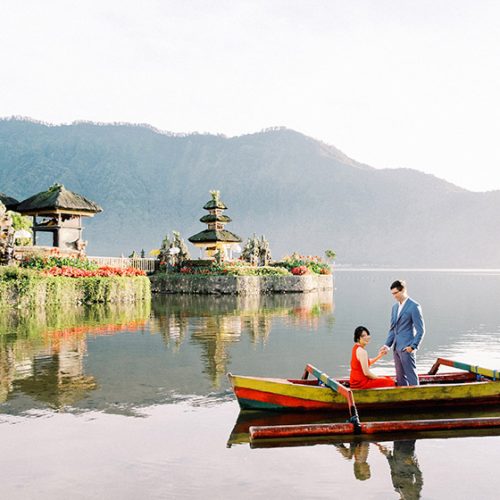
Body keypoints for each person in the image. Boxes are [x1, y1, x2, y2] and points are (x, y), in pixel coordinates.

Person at [380, 280, 425, 386]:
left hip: (407, 348)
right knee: (400, 377)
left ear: (403, 290)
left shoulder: (414, 306)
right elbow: (393, 329)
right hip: (396, 348)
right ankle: (404, 400)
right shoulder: (394, 308)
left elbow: (421, 330)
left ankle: (417, 398)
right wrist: (387, 345)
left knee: (411, 376)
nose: (394, 296)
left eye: (396, 293)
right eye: (392, 294)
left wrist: (413, 347)